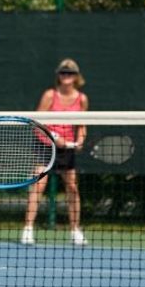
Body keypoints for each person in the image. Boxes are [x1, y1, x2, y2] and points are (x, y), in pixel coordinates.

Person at [20, 58, 88, 246]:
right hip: (45, 146)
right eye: (63, 73)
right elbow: (37, 123)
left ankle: (75, 230)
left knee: (73, 188)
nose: (67, 76)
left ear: (76, 76)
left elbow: (82, 125)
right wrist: (54, 137)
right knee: (38, 186)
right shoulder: (50, 95)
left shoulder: (81, 99)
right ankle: (28, 229)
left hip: (67, 150)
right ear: (58, 76)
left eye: (70, 73)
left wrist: (80, 139)